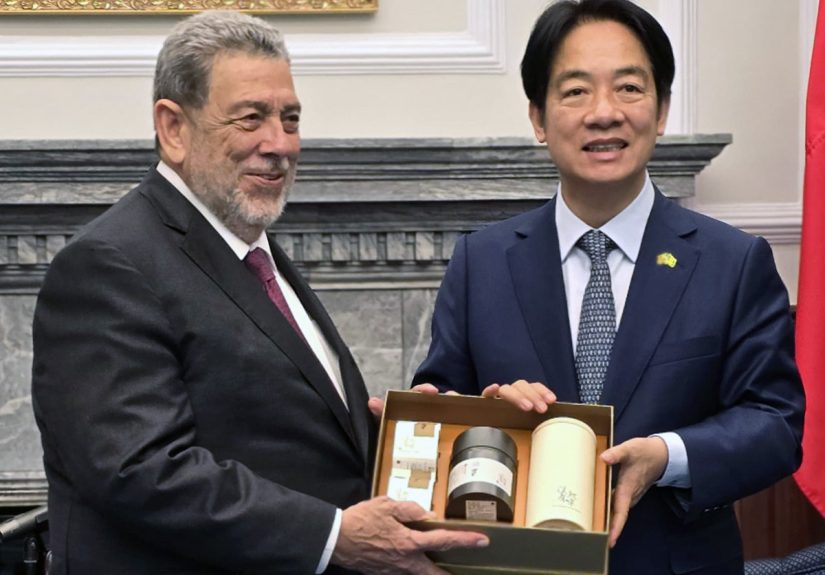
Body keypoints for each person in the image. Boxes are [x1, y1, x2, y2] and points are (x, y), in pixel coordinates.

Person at [30, 11, 487, 575]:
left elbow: (287, 434)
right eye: (250, 119)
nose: (279, 144)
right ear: (173, 128)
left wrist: (437, 431)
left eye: (290, 119)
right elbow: (141, 470)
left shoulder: (251, 251)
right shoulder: (109, 264)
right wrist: (334, 536)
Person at [412, 1, 805, 573]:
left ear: (661, 110)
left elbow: (775, 425)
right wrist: (485, 414)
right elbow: (439, 412)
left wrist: (667, 455)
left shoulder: (733, 261)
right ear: (538, 118)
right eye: (575, 91)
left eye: (628, 88)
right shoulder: (482, 262)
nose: (604, 113)